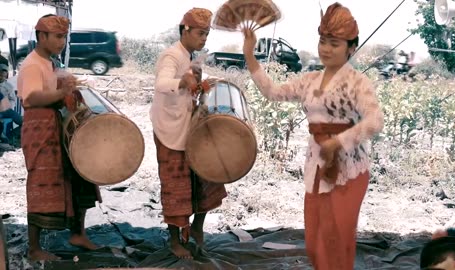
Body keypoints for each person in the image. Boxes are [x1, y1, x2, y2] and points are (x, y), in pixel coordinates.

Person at [242, 3, 384, 269]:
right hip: (316, 166)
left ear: (351, 47)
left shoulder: (357, 83)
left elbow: (375, 121)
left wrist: (338, 142)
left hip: (349, 169)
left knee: (338, 239)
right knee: (315, 242)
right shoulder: (309, 80)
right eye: (323, 41)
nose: (326, 49)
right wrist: (250, 56)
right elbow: (273, 92)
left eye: (334, 43)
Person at [17, 14, 101, 261]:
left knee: (79, 175)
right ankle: (34, 248)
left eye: (64, 37)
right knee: (42, 182)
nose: (62, 41)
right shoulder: (33, 64)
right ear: (41, 36)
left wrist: (67, 86)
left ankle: (78, 234)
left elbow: (53, 90)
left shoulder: (49, 63)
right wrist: (61, 91)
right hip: (39, 128)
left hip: (54, 126)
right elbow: (31, 98)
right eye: (57, 36)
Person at [150, 7, 227, 259]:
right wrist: (183, 83)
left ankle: (197, 228)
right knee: (175, 186)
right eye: (200, 33)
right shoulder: (171, 56)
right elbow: (162, 84)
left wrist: (201, 87)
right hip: (170, 130)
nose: (204, 38)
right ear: (185, 30)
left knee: (208, 173)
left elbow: (189, 91)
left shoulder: (191, 56)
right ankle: (174, 241)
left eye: (207, 34)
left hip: (188, 125)